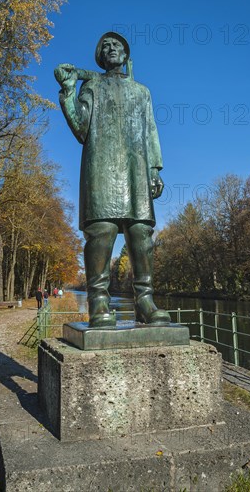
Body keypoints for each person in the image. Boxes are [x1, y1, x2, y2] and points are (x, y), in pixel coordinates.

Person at [55, 32, 171, 328]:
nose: (111, 49)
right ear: (100, 57)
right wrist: (69, 92)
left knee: (140, 232)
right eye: (105, 46)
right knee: (102, 230)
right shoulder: (91, 85)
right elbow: (81, 128)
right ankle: (99, 302)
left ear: (125, 55)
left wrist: (155, 168)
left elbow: (150, 131)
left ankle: (145, 302)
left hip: (136, 169)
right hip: (102, 167)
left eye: (116, 45)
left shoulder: (142, 92)